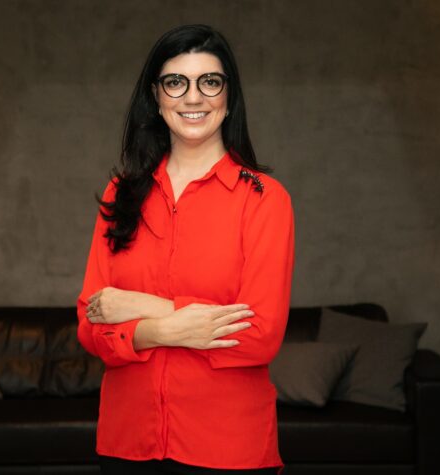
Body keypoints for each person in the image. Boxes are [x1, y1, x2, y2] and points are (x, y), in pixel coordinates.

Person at [77, 24, 294, 475]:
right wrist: (169, 328)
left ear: (229, 97)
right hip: (127, 444)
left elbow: (259, 335)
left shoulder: (263, 199)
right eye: (176, 82)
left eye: (209, 82)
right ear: (156, 97)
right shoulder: (121, 193)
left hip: (227, 450)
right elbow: (90, 325)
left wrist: (140, 309)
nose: (193, 97)